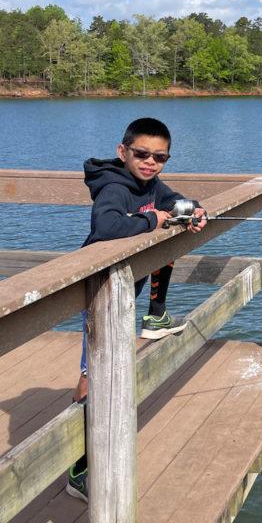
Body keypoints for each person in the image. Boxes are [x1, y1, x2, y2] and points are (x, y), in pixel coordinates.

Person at [66, 116, 207, 501]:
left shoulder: (149, 184)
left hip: (123, 294)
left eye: (159, 157)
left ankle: (156, 313)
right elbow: (108, 226)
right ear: (122, 151)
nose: (150, 163)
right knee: (91, 376)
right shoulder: (113, 186)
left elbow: (169, 199)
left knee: (108, 372)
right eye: (142, 154)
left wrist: (191, 210)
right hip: (98, 295)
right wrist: (152, 219)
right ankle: (79, 467)